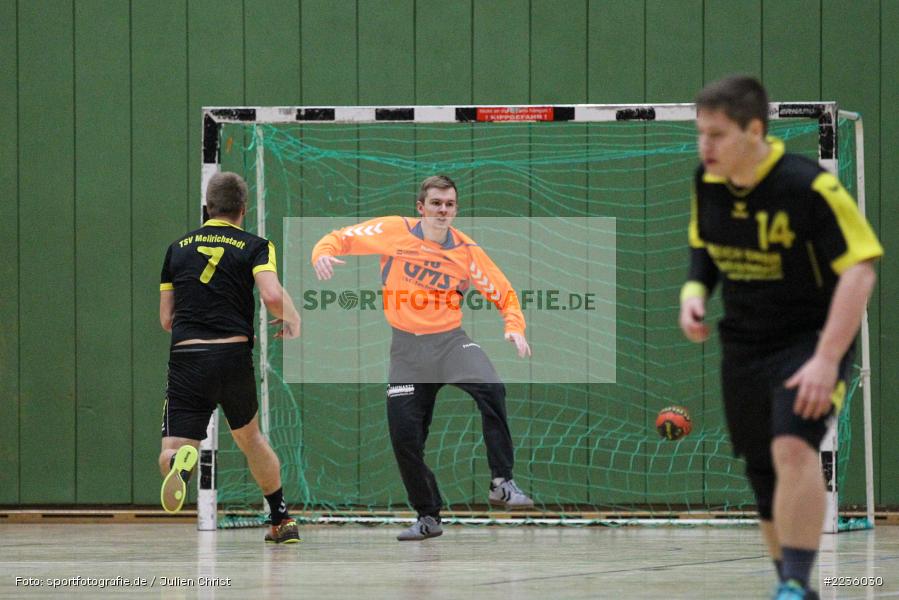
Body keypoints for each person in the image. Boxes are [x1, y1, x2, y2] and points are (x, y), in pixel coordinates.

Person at [680, 76, 882, 599]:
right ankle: (791, 584)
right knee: (761, 466)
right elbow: (702, 247)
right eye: (701, 133)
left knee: (795, 447)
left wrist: (825, 358)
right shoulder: (708, 181)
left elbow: (860, 270)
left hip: (809, 339)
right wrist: (695, 292)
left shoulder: (808, 186)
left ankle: (795, 581)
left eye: (717, 134)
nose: (706, 146)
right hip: (743, 343)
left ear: (754, 130)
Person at [311, 175, 535, 541]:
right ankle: (428, 516)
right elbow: (342, 237)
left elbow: (503, 292)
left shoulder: (466, 250)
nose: (442, 210)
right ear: (421, 207)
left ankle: (501, 481)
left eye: (449, 205)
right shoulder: (393, 231)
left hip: (449, 344)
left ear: (456, 210)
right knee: (405, 438)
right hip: (407, 353)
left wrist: (515, 325)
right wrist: (321, 252)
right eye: (435, 203)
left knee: (492, 388)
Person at [159, 171, 303, 544]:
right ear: (243, 208)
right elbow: (271, 296)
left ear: (207, 207)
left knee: (171, 449)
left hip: (188, 358)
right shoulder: (256, 245)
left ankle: (180, 463)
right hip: (233, 356)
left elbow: (165, 320)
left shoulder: (177, 249)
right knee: (251, 439)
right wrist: (293, 317)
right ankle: (281, 518)